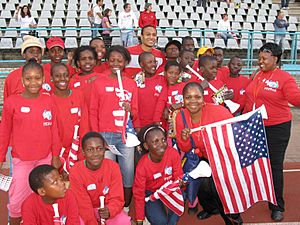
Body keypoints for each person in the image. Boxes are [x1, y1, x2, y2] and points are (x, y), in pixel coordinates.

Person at [243, 42, 300, 222]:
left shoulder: (285, 78)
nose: (260, 62)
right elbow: (249, 98)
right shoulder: (256, 75)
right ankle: (257, 194)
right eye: (259, 58)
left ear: (275, 59)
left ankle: (277, 206)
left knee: (274, 166)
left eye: (264, 59)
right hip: (254, 126)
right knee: (255, 163)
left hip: (277, 128)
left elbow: (294, 98)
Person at [0, 60, 62, 225]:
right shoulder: (12, 102)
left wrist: (55, 156)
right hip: (22, 160)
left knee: (44, 196)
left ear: (43, 79)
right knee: (17, 200)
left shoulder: (49, 100)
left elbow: (54, 130)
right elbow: (4, 132)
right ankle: (13, 221)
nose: (33, 82)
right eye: (28, 78)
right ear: (22, 80)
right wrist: (0, 158)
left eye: (37, 78)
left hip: (45, 158)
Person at [175, 82, 243, 225]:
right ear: (183, 99)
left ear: (203, 98)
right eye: (188, 97)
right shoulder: (180, 116)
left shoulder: (219, 112)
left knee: (219, 187)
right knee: (203, 184)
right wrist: (184, 138)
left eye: (197, 97)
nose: (193, 101)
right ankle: (211, 209)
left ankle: (233, 216)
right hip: (202, 157)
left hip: (222, 155)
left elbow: (234, 133)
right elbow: (185, 148)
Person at [89, 46, 140, 212]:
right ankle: (109, 204)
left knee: (128, 172)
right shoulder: (98, 82)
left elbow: (136, 112)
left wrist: (129, 109)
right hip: (105, 135)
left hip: (125, 135)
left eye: (120, 60)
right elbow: (93, 111)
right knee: (108, 173)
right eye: (112, 60)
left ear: (126, 62)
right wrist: (97, 138)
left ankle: (125, 206)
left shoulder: (131, 84)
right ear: (107, 61)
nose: (115, 63)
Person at [69, 132, 131, 225]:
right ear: (83, 152)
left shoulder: (113, 167)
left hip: (106, 208)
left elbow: (117, 198)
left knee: (123, 221)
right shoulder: (76, 171)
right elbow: (83, 205)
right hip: (85, 211)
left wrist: (110, 211)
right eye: (90, 149)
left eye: (99, 149)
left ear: (105, 149)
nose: (96, 154)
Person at [133, 124, 184, 225]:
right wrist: (140, 219)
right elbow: (139, 194)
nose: (162, 144)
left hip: (169, 188)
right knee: (161, 222)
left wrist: (181, 182)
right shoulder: (142, 166)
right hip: (151, 192)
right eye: (156, 141)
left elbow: (178, 175)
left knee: (175, 214)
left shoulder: (173, 153)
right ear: (146, 146)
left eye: (163, 140)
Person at [51, 63, 89, 172]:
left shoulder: (79, 95)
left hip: (78, 148)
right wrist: (57, 153)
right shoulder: (49, 100)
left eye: (65, 75)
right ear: (51, 79)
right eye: (57, 76)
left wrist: (83, 145)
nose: (62, 79)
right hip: (60, 152)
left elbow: (84, 123)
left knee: (79, 180)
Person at [3, 35, 51, 101]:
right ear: (24, 54)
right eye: (31, 52)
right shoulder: (12, 77)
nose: (35, 55)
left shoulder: (49, 76)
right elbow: (7, 105)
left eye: (38, 52)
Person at [134, 52, 167, 128]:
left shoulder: (162, 79)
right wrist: (137, 126)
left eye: (155, 62)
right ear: (142, 64)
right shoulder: (136, 80)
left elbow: (163, 100)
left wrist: (165, 107)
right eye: (150, 62)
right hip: (141, 124)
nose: (154, 65)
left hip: (159, 123)